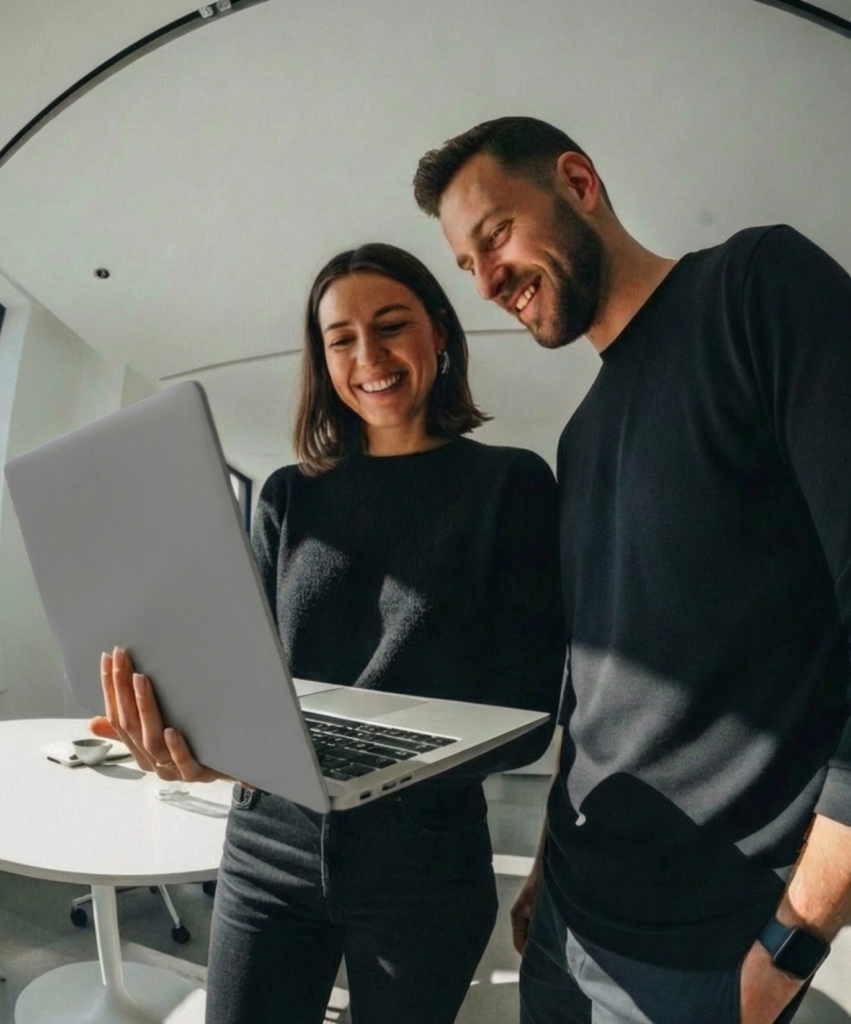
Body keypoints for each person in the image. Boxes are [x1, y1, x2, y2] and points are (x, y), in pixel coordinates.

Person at [412, 116, 851, 1024]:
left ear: (576, 182)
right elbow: (595, 681)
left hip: (715, 946)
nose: (488, 282)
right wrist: (541, 863)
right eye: (466, 265)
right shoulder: (580, 433)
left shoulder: (756, 288)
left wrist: (795, 936)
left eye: (494, 235)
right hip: (571, 913)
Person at [92, 241, 565, 1024]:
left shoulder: (510, 486)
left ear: (439, 334)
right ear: (322, 358)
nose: (367, 356)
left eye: (391, 327)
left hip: (423, 863)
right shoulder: (285, 496)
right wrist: (208, 739)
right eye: (340, 339)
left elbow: (527, 721)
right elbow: (245, 673)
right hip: (265, 847)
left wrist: (377, 763)